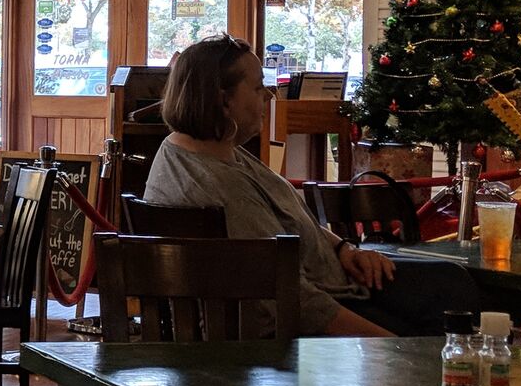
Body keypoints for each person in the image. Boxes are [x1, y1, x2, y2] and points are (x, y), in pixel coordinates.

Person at [143, 35, 476, 336]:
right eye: (258, 88)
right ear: (223, 100)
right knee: (451, 302)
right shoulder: (216, 185)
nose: (268, 95)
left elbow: (288, 222)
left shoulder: (207, 150)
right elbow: (292, 300)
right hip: (303, 324)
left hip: (334, 282)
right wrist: (391, 350)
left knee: (450, 281)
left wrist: (344, 250)